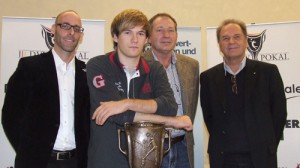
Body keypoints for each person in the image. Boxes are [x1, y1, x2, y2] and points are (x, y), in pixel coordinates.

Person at [86, 9, 193, 168]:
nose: (134, 39)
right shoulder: (98, 65)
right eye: (128, 32)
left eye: (141, 33)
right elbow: (116, 116)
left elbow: (169, 106)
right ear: (115, 37)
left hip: (146, 160)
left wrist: (126, 103)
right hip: (106, 160)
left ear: (147, 39)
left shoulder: (155, 69)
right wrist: (171, 121)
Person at [2, 10, 90, 168]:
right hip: (37, 162)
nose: (71, 32)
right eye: (65, 26)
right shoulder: (29, 67)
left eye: (77, 29)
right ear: (53, 29)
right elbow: (10, 116)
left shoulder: (87, 73)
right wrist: (28, 151)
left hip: (76, 162)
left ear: (81, 35)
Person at [200, 19, 287, 168]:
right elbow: (210, 118)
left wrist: (268, 145)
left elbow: (279, 114)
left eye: (237, 36)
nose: (231, 42)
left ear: (246, 41)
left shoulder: (268, 72)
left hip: (261, 158)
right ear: (219, 44)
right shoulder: (208, 77)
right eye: (225, 38)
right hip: (223, 159)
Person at [143, 13, 199, 168]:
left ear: (177, 35)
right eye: (159, 30)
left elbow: (191, 106)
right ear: (148, 36)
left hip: (183, 148)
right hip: (149, 148)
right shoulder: (138, 64)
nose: (166, 35)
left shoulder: (191, 66)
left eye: (171, 30)